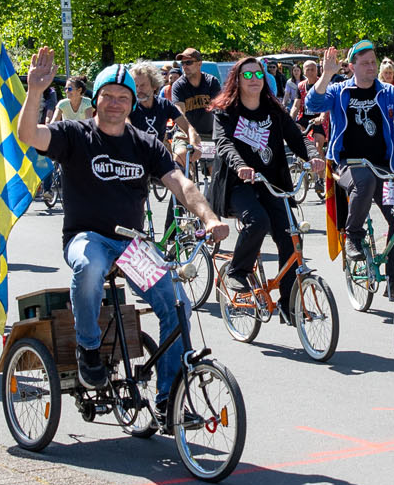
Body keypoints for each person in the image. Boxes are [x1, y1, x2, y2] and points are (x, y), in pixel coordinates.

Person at [16, 51, 228, 403]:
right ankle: (88, 347)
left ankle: (168, 399)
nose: (115, 103)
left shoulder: (144, 144)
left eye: (123, 98)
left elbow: (181, 183)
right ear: (95, 100)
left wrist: (210, 218)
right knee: (89, 266)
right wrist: (34, 92)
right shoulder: (75, 135)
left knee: (177, 306)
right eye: (108, 96)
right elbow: (29, 135)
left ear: (133, 103)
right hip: (87, 237)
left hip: (132, 246)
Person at [211, 57, 325, 316]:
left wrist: (313, 156)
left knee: (290, 236)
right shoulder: (226, 112)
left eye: (258, 75)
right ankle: (238, 271)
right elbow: (224, 144)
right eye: (247, 75)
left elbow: (298, 138)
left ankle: (288, 302)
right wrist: (240, 165)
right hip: (238, 185)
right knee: (258, 220)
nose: (254, 80)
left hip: (270, 183)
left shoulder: (274, 110)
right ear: (237, 80)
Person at [306, 40, 394, 265]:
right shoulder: (338, 90)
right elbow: (313, 104)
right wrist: (326, 76)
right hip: (347, 163)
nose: (371, 67)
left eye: (373, 62)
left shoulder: (388, 92)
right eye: (365, 63)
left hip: (383, 165)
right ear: (352, 67)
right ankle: (353, 235)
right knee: (364, 180)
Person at [169, 48, 222, 177]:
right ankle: (183, 192)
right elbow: (179, 112)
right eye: (183, 63)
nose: (184, 66)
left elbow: (219, 108)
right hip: (185, 133)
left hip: (209, 134)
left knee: (216, 172)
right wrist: (191, 134)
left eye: (189, 63)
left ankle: (213, 195)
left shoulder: (211, 82)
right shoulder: (178, 86)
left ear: (199, 64)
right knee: (180, 159)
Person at [129, 63, 187, 142]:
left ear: (154, 86)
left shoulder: (164, 105)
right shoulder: (129, 106)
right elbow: (125, 126)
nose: (138, 90)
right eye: (136, 86)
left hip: (158, 152)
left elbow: (186, 126)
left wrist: (193, 138)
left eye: (143, 85)